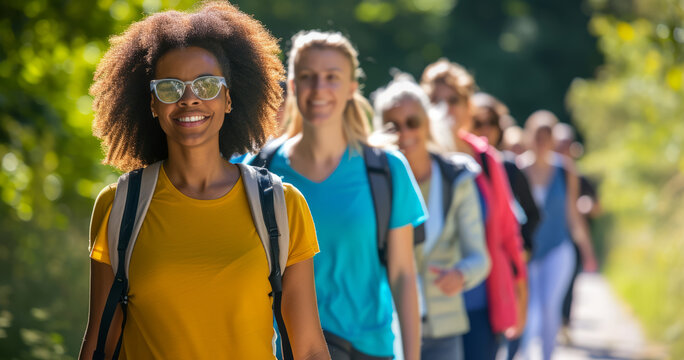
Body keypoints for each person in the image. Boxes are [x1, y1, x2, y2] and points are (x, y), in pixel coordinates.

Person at [79, 3, 329, 359]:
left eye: (207, 85)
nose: (189, 98)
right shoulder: (120, 206)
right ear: (152, 103)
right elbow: (99, 344)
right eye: (169, 88)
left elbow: (308, 350)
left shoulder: (281, 205)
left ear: (228, 99)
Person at [246, 31, 426, 360]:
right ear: (294, 86)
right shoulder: (258, 169)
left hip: (368, 349)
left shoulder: (386, 170)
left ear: (352, 88)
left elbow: (403, 274)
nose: (319, 89)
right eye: (307, 77)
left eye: (332, 77)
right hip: (285, 350)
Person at [373, 74, 490, 360]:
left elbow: (480, 258)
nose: (404, 133)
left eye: (412, 122)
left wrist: (461, 274)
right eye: (392, 125)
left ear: (428, 123)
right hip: (385, 327)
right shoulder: (372, 178)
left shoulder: (457, 177)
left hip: (443, 328)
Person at [420, 59, 528, 360]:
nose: (445, 108)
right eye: (435, 100)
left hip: (479, 304)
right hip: (430, 307)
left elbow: (508, 233)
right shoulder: (414, 158)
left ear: (469, 106)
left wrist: (521, 295)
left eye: (453, 100)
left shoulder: (486, 159)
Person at [517, 111, 597, 360]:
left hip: (558, 249)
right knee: (530, 311)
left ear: (553, 139)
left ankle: (547, 355)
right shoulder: (518, 169)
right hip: (527, 252)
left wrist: (588, 253)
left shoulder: (565, 169)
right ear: (530, 137)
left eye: (547, 136)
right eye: (537, 136)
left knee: (549, 306)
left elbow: (573, 214)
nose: (542, 141)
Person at [553, 122, 601, 343]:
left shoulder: (579, 177)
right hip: (551, 239)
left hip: (573, 239)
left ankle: (563, 323)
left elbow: (597, 206)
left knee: (569, 283)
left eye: (566, 145)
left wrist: (587, 205)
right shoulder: (547, 173)